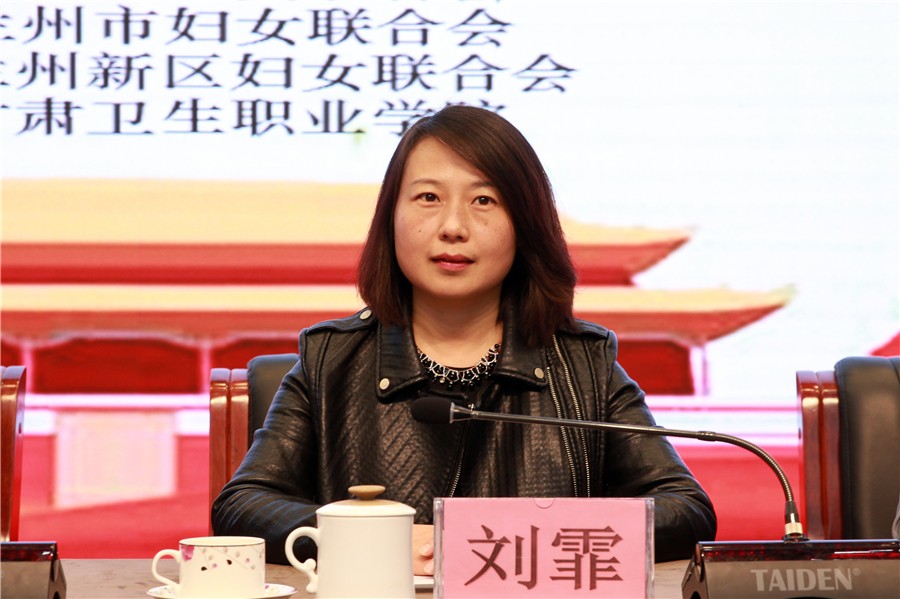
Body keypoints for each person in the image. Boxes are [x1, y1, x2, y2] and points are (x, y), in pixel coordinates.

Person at [212, 105, 717, 573]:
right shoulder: (331, 360)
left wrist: (506, 542)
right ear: (391, 217)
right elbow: (244, 506)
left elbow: (685, 510)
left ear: (524, 224)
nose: (453, 227)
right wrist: (375, 539)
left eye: (484, 201)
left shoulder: (583, 364)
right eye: (428, 198)